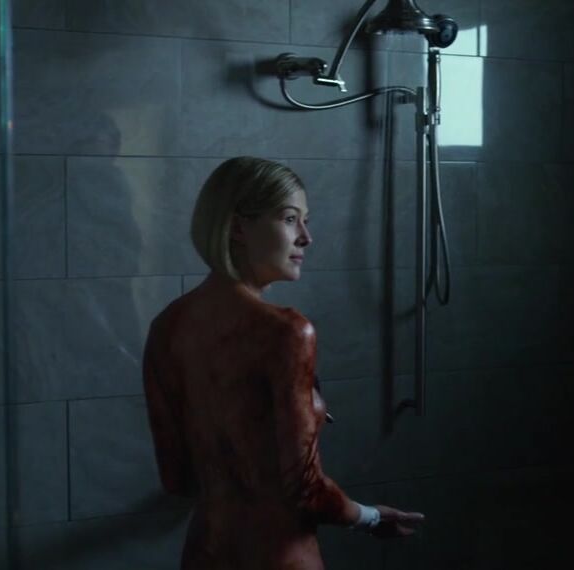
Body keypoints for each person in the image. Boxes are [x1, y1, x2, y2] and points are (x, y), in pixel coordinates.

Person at [142, 156, 424, 569]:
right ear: (238, 227)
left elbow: (177, 479)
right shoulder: (286, 332)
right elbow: (305, 489)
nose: (306, 237)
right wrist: (371, 517)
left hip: (205, 553)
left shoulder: (166, 327)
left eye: (304, 221)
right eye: (291, 219)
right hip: (281, 557)